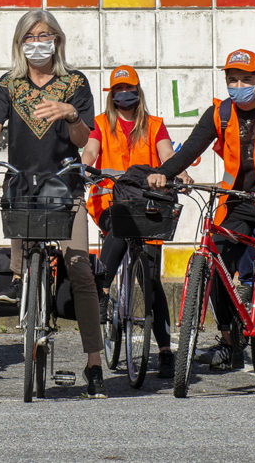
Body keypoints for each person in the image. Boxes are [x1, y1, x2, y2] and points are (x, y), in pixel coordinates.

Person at [148, 48, 255, 397]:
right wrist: (163, 173)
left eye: (245, 79)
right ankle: (229, 338)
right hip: (238, 202)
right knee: (216, 262)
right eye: (232, 79)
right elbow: (190, 149)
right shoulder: (221, 112)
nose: (238, 85)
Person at [0, 9, 106, 398]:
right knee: (20, 261)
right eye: (30, 37)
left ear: (57, 40)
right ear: (19, 43)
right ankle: (23, 291)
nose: (37, 43)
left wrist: (71, 113)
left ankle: (94, 364)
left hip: (65, 187)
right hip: (23, 187)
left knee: (79, 269)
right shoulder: (9, 84)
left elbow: (83, 140)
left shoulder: (74, 83)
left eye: (44, 35)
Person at [81, 65, 186, 380]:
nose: (123, 94)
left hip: (146, 204)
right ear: (111, 95)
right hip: (109, 201)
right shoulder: (99, 124)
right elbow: (90, 150)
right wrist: (85, 166)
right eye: (117, 90)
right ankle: (101, 288)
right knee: (120, 224)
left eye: (128, 89)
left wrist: (177, 172)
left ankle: (165, 350)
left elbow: (168, 155)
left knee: (151, 279)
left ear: (137, 92)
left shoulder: (154, 125)